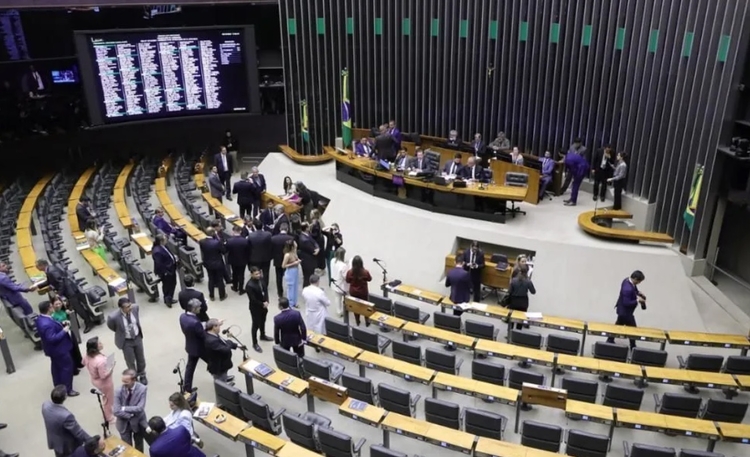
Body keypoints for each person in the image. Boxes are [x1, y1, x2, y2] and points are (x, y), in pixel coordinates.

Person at [36, 259, 96, 333]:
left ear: (42, 265)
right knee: (75, 307)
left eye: (37, 266)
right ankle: (87, 321)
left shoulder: (51, 271)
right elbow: (50, 281)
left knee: (78, 308)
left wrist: (59, 294)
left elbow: (61, 282)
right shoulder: (49, 270)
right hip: (68, 290)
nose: (36, 267)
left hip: (70, 291)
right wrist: (38, 286)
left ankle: (89, 323)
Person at [37, 300, 79, 395]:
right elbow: (52, 338)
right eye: (51, 306)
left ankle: (58, 385)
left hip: (52, 350)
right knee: (67, 368)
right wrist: (64, 330)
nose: (53, 307)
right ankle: (68, 390)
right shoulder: (46, 324)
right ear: (49, 308)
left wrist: (61, 324)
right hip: (60, 350)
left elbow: (53, 326)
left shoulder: (41, 319)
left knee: (56, 368)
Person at [106, 297, 147, 385]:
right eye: (127, 307)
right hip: (126, 341)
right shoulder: (114, 317)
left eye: (130, 305)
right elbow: (112, 326)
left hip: (137, 337)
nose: (130, 308)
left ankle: (142, 374)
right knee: (130, 360)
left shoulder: (135, 308)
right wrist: (121, 332)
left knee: (141, 358)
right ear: (122, 308)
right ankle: (134, 377)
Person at [42, 385, 91, 457]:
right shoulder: (66, 416)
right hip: (66, 445)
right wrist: (90, 440)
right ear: (65, 397)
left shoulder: (45, 405)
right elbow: (78, 432)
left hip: (55, 441)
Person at [606, 270, 647, 348]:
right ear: (635, 278)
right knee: (632, 329)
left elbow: (634, 289)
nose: (639, 283)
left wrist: (638, 293)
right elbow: (626, 303)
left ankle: (610, 340)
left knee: (618, 326)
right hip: (625, 313)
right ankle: (632, 346)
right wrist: (638, 300)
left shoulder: (627, 280)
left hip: (623, 311)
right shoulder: (627, 289)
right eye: (639, 281)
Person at [113, 369, 148, 452]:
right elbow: (116, 411)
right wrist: (130, 415)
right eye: (123, 381)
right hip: (123, 424)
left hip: (138, 422)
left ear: (134, 380)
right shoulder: (118, 391)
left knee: (139, 446)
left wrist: (124, 408)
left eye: (126, 381)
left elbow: (140, 408)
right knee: (127, 448)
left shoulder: (142, 389)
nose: (124, 384)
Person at [82, 337, 115, 423]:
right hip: (104, 383)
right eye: (99, 343)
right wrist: (111, 367)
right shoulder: (101, 361)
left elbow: (83, 362)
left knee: (105, 397)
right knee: (108, 400)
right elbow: (103, 376)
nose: (101, 344)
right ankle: (109, 417)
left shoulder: (87, 356)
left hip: (94, 380)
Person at [50, 296, 83, 374]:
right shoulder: (53, 316)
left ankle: (79, 363)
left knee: (75, 347)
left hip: (70, 331)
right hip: (63, 334)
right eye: (56, 304)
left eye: (59, 303)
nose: (58, 305)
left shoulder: (64, 310)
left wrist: (68, 313)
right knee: (70, 351)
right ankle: (73, 368)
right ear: (52, 305)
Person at [180, 299, 206, 393]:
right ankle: (221, 379)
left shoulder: (182, 316)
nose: (200, 308)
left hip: (190, 346)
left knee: (190, 368)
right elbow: (203, 335)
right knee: (214, 361)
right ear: (194, 309)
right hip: (200, 348)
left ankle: (187, 388)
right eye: (199, 307)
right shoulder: (195, 323)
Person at [204, 318, 240, 383]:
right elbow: (225, 349)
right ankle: (224, 387)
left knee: (223, 376)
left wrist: (236, 345)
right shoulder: (212, 341)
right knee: (221, 382)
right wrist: (231, 343)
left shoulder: (210, 333)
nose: (220, 327)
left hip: (221, 363)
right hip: (218, 366)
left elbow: (223, 342)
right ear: (214, 327)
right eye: (218, 326)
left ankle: (224, 379)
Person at [246, 266, 272, 352]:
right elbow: (253, 299)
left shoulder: (261, 280)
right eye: (256, 274)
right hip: (255, 308)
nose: (258, 275)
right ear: (251, 274)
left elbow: (265, 290)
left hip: (264, 305)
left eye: (259, 273)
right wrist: (262, 304)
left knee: (263, 321)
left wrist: (267, 300)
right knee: (255, 325)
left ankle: (262, 335)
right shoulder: (249, 285)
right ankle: (254, 343)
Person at [199, 227, 227, 301]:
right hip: (218, 263)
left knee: (211, 279)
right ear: (212, 233)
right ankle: (222, 296)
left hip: (208, 263)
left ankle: (211, 295)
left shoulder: (202, 242)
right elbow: (223, 251)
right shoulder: (217, 242)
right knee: (220, 279)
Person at [152, 234, 178, 307]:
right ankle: (168, 300)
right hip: (167, 272)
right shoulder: (157, 251)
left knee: (173, 284)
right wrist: (165, 272)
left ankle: (169, 297)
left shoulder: (164, 246)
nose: (167, 240)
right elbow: (159, 264)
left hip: (171, 268)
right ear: (161, 241)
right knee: (167, 286)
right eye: (165, 239)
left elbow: (169, 254)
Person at [345, 256, 372, 326]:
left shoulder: (350, 272)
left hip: (353, 291)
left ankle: (357, 321)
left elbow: (347, 280)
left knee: (355, 305)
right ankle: (367, 320)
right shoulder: (365, 272)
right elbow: (369, 279)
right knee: (365, 305)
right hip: (363, 291)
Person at [247, 219, 273, 288]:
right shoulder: (268, 234)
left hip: (255, 258)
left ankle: (256, 285)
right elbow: (270, 245)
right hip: (266, 257)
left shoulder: (251, 236)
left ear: (254, 226)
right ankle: (265, 285)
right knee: (266, 272)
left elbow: (249, 247)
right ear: (262, 226)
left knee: (256, 272)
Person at [271, 223, 294, 297]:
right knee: (289, 276)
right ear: (287, 229)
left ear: (280, 229)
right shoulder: (291, 238)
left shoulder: (273, 238)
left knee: (278, 277)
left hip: (277, 260)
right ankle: (289, 291)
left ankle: (280, 292)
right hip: (288, 260)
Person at [226, 225, 249, 294]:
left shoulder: (229, 241)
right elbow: (248, 251)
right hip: (242, 260)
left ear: (233, 231)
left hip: (233, 260)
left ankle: (235, 287)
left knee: (234, 274)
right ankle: (241, 289)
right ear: (240, 231)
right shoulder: (245, 241)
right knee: (241, 274)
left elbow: (226, 250)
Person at [298, 223, 320, 287]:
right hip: (308, 261)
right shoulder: (304, 240)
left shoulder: (307, 235)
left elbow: (314, 242)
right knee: (307, 277)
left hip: (309, 260)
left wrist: (318, 248)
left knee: (308, 276)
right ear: (306, 228)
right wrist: (317, 249)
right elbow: (313, 250)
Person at [281, 240, 301, 308]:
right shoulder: (287, 255)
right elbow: (283, 265)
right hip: (290, 271)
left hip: (295, 270)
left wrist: (298, 261)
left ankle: (295, 302)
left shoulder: (294, 252)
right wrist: (294, 263)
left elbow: (297, 258)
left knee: (295, 287)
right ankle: (290, 304)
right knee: (290, 288)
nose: (296, 244)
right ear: (292, 246)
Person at [330, 248, 349, 316]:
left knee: (337, 297)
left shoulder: (332, 260)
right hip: (342, 285)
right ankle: (347, 308)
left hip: (335, 282)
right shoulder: (343, 265)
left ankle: (339, 311)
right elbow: (345, 276)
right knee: (346, 297)